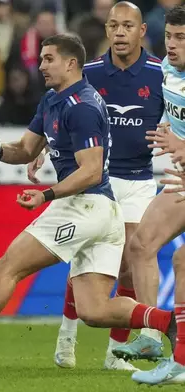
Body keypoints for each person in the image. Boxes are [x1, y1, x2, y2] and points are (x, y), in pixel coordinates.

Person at [0, 33, 177, 369]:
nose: (42, 65)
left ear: (71, 63)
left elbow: (90, 171)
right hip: (101, 212)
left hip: (84, 205)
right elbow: (26, 150)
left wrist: (46, 194)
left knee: (8, 267)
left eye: (49, 59)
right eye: (42, 59)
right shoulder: (52, 100)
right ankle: (170, 324)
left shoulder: (84, 106)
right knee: (94, 310)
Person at [27, 2, 164, 371]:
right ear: (106, 31)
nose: (120, 32)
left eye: (128, 26)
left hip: (137, 180)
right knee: (86, 262)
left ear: (141, 32)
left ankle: (115, 354)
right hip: (94, 180)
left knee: (129, 266)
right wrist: (41, 147)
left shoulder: (160, 74)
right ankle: (67, 336)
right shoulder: (84, 73)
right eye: (114, 25)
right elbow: (56, 110)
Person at [124, 5, 185, 385]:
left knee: (182, 261)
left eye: (182, 39)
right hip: (180, 177)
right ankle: (150, 336)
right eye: (170, 37)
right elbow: (170, 113)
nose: (173, 45)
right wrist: (167, 133)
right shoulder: (165, 70)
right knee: (142, 243)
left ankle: (180, 361)